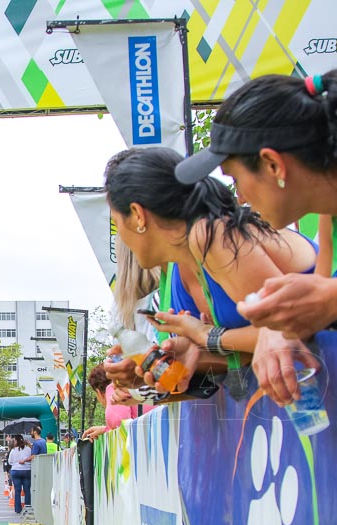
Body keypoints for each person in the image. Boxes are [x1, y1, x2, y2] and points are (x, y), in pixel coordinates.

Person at [174, 69, 337, 404]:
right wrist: (275, 329)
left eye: (236, 179)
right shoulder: (335, 217)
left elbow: (332, 297)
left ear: (273, 165)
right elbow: (324, 311)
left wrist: (331, 297)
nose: (239, 197)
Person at [104, 147, 319, 396]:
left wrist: (206, 336)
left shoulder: (210, 234)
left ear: (138, 215)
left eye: (117, 222)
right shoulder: (182, 266)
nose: (120, 235)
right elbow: (255, 350)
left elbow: (290, 327)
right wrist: (188, 359)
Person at [7, 434, 33, 514]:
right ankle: (28, 507)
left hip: (16, 470)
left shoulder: (13, 450)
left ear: (16, 441)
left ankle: (18, 509)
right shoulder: (28, 449)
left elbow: (10, 462)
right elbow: (32, 457)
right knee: (27, 490)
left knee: (17, 491)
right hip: (27, 470)